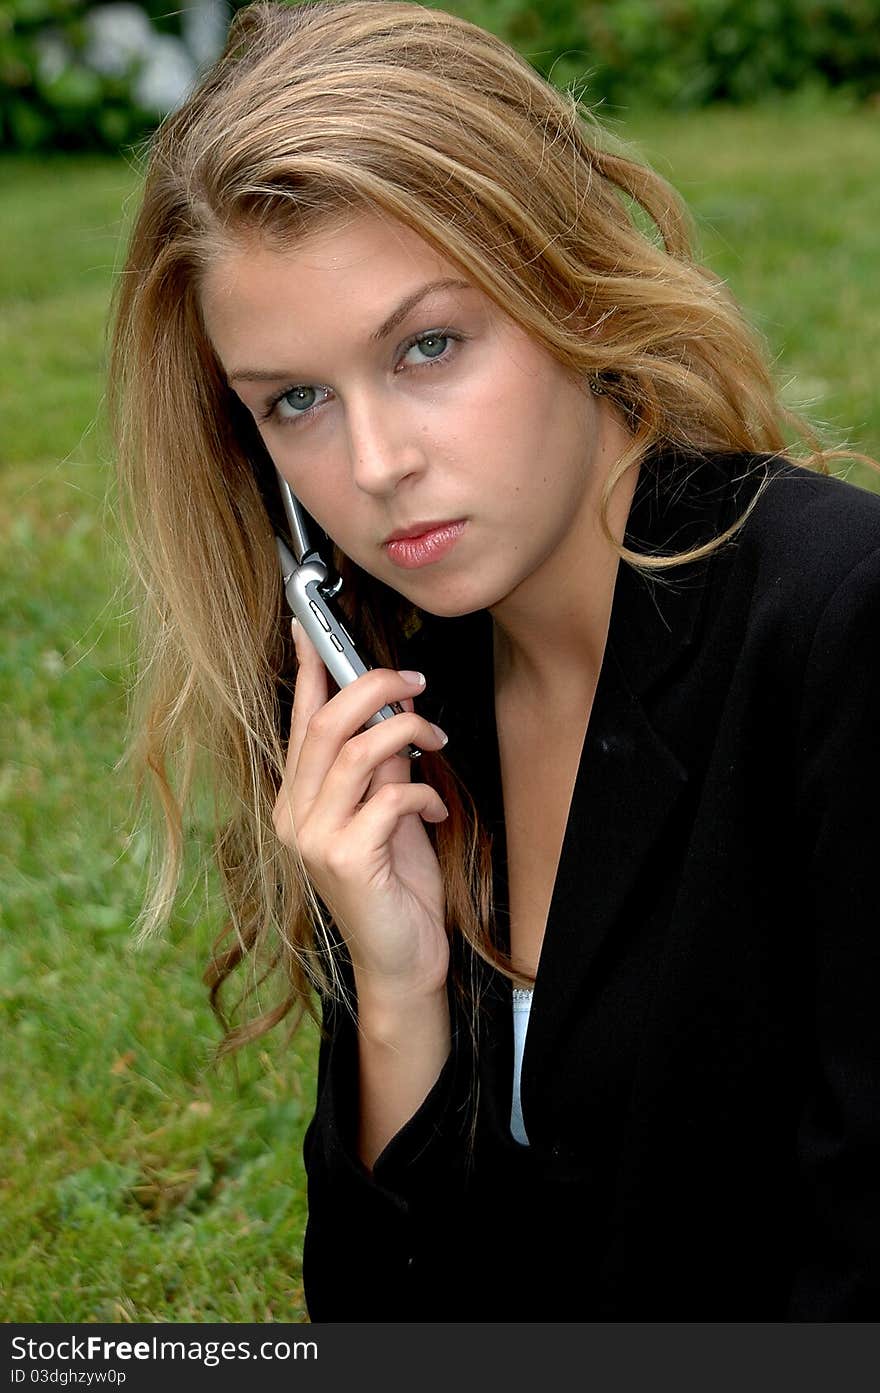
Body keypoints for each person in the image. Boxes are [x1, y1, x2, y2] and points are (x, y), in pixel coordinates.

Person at [109, 0, 880, 1320]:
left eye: (428, 346)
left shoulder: (838, 628)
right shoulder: (408, 703)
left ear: (566, 286)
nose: (373, 464)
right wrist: (401, 995)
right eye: (294, 399)